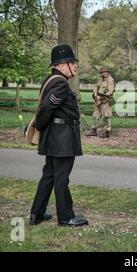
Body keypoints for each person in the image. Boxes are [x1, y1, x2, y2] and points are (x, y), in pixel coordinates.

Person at [29, 44, 89, 227]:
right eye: (72, 62)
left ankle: (36, 214)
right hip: (62, 138)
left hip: (55, 137)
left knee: (49, 175)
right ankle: (66, 217)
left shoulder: (51, 79)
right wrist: (39, 125)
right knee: (61, 178)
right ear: (62, 64)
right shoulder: (61, 83)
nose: (76, 66)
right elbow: (46, 108)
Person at [86, 67, 115, 138]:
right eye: (103, 72)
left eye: (106, 72)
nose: (104, 73)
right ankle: (93, 130)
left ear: (108, 72)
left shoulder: (110, 80)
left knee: (106, 116)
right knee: (95, 115)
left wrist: (101, 97)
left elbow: (110, 92)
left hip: (106, 101)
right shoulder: (101, 80)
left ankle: (106, 132)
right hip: (98, 100)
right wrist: (95, 93)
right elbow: (96, 87)